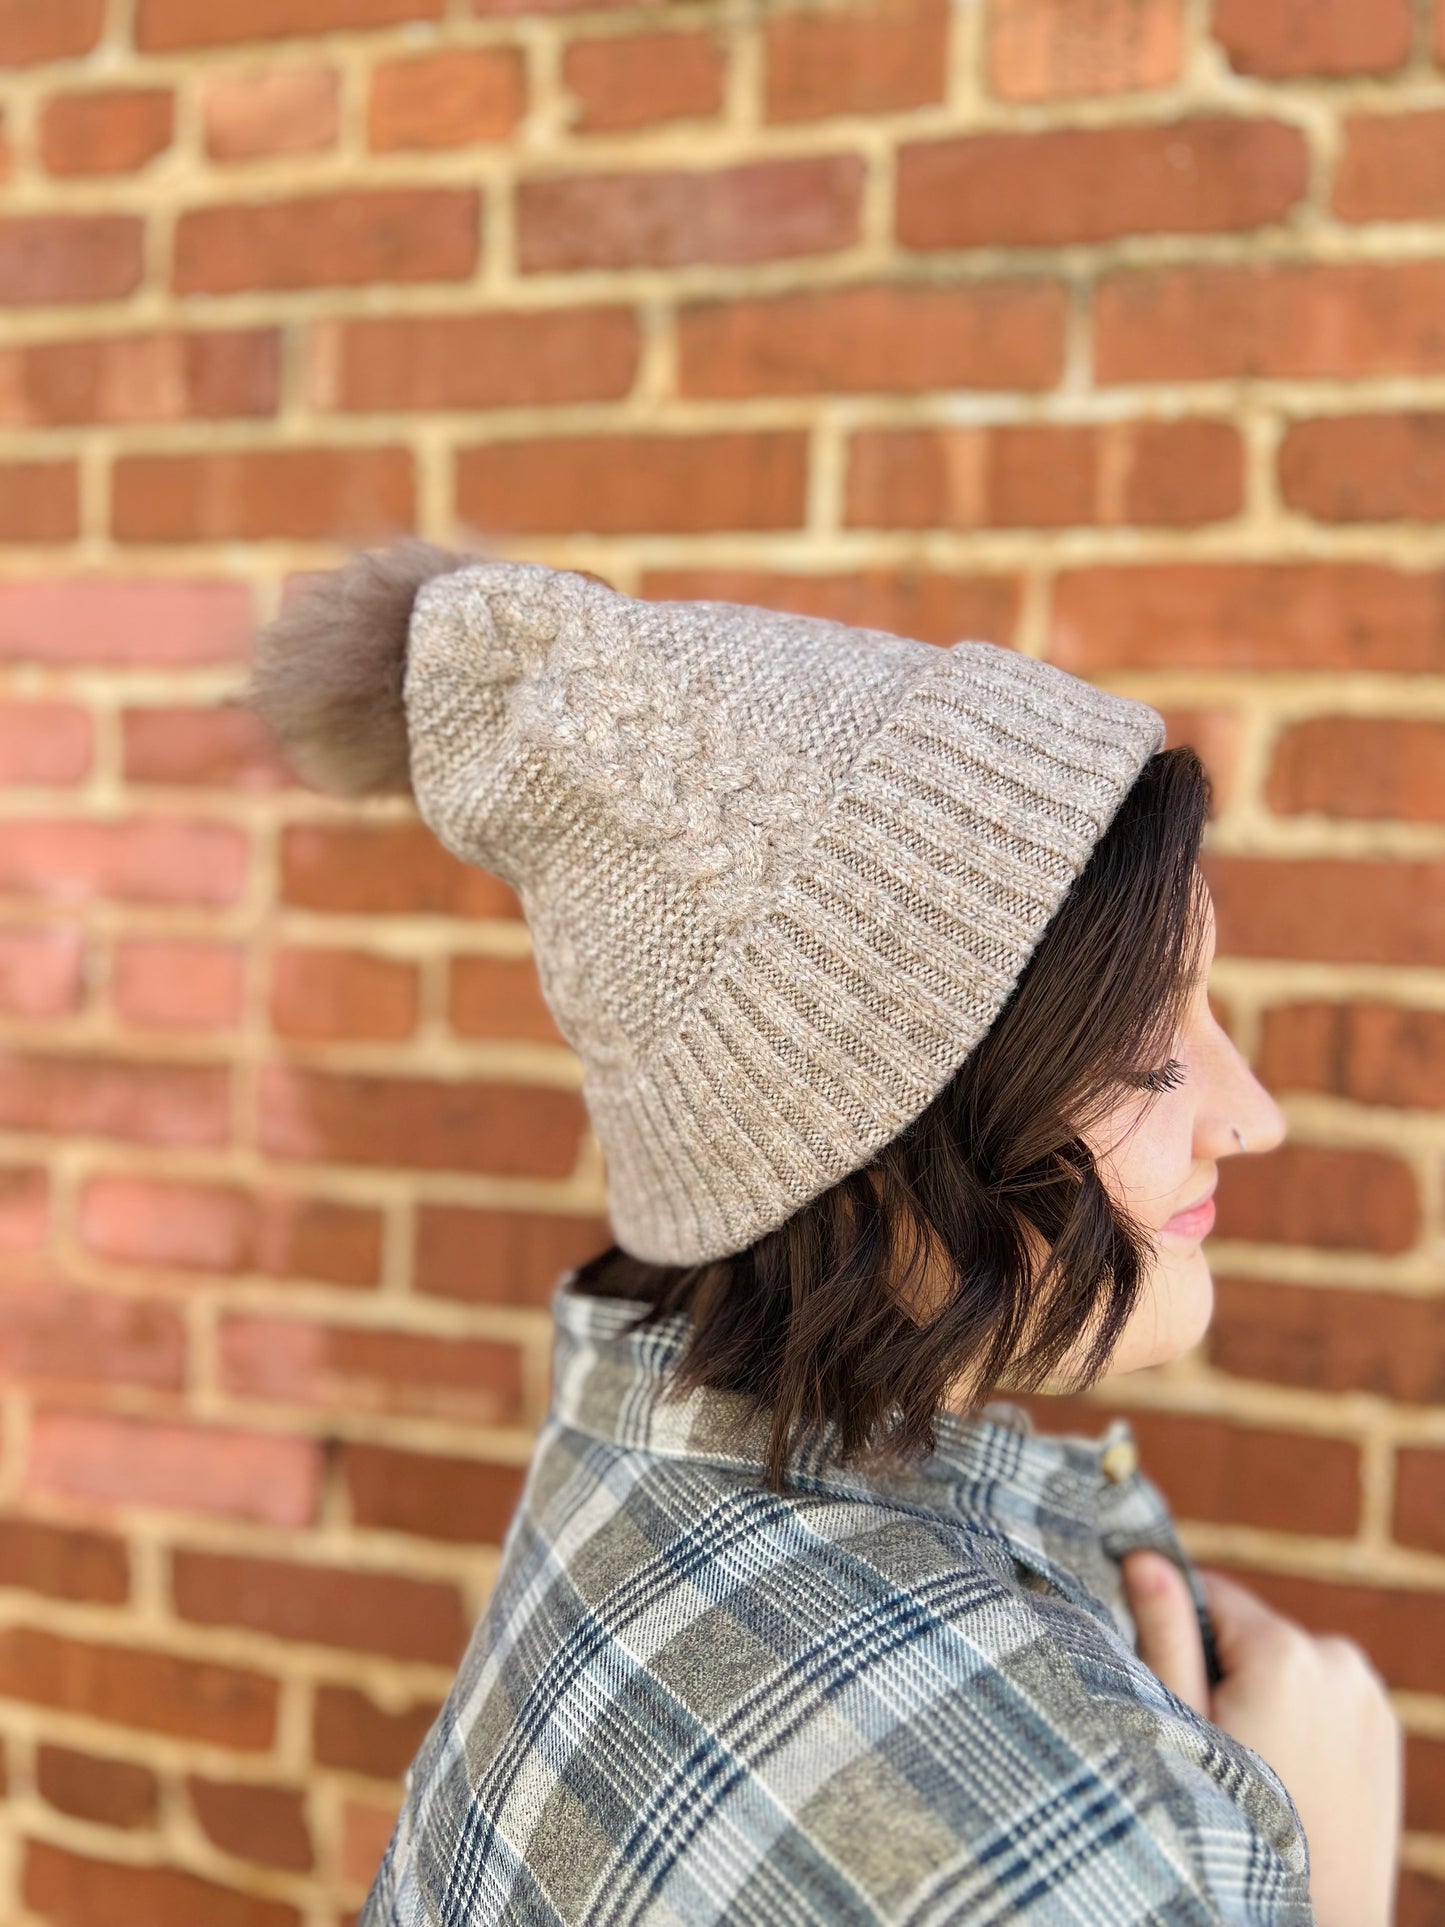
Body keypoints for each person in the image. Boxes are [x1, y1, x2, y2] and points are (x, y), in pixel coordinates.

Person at [242, 541, 1401, 1926]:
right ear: (851, 1137)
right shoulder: (1062, 1844)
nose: (1251, 1116)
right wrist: (1325, 1868)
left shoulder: (631, 1472)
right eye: (1139, 1041)